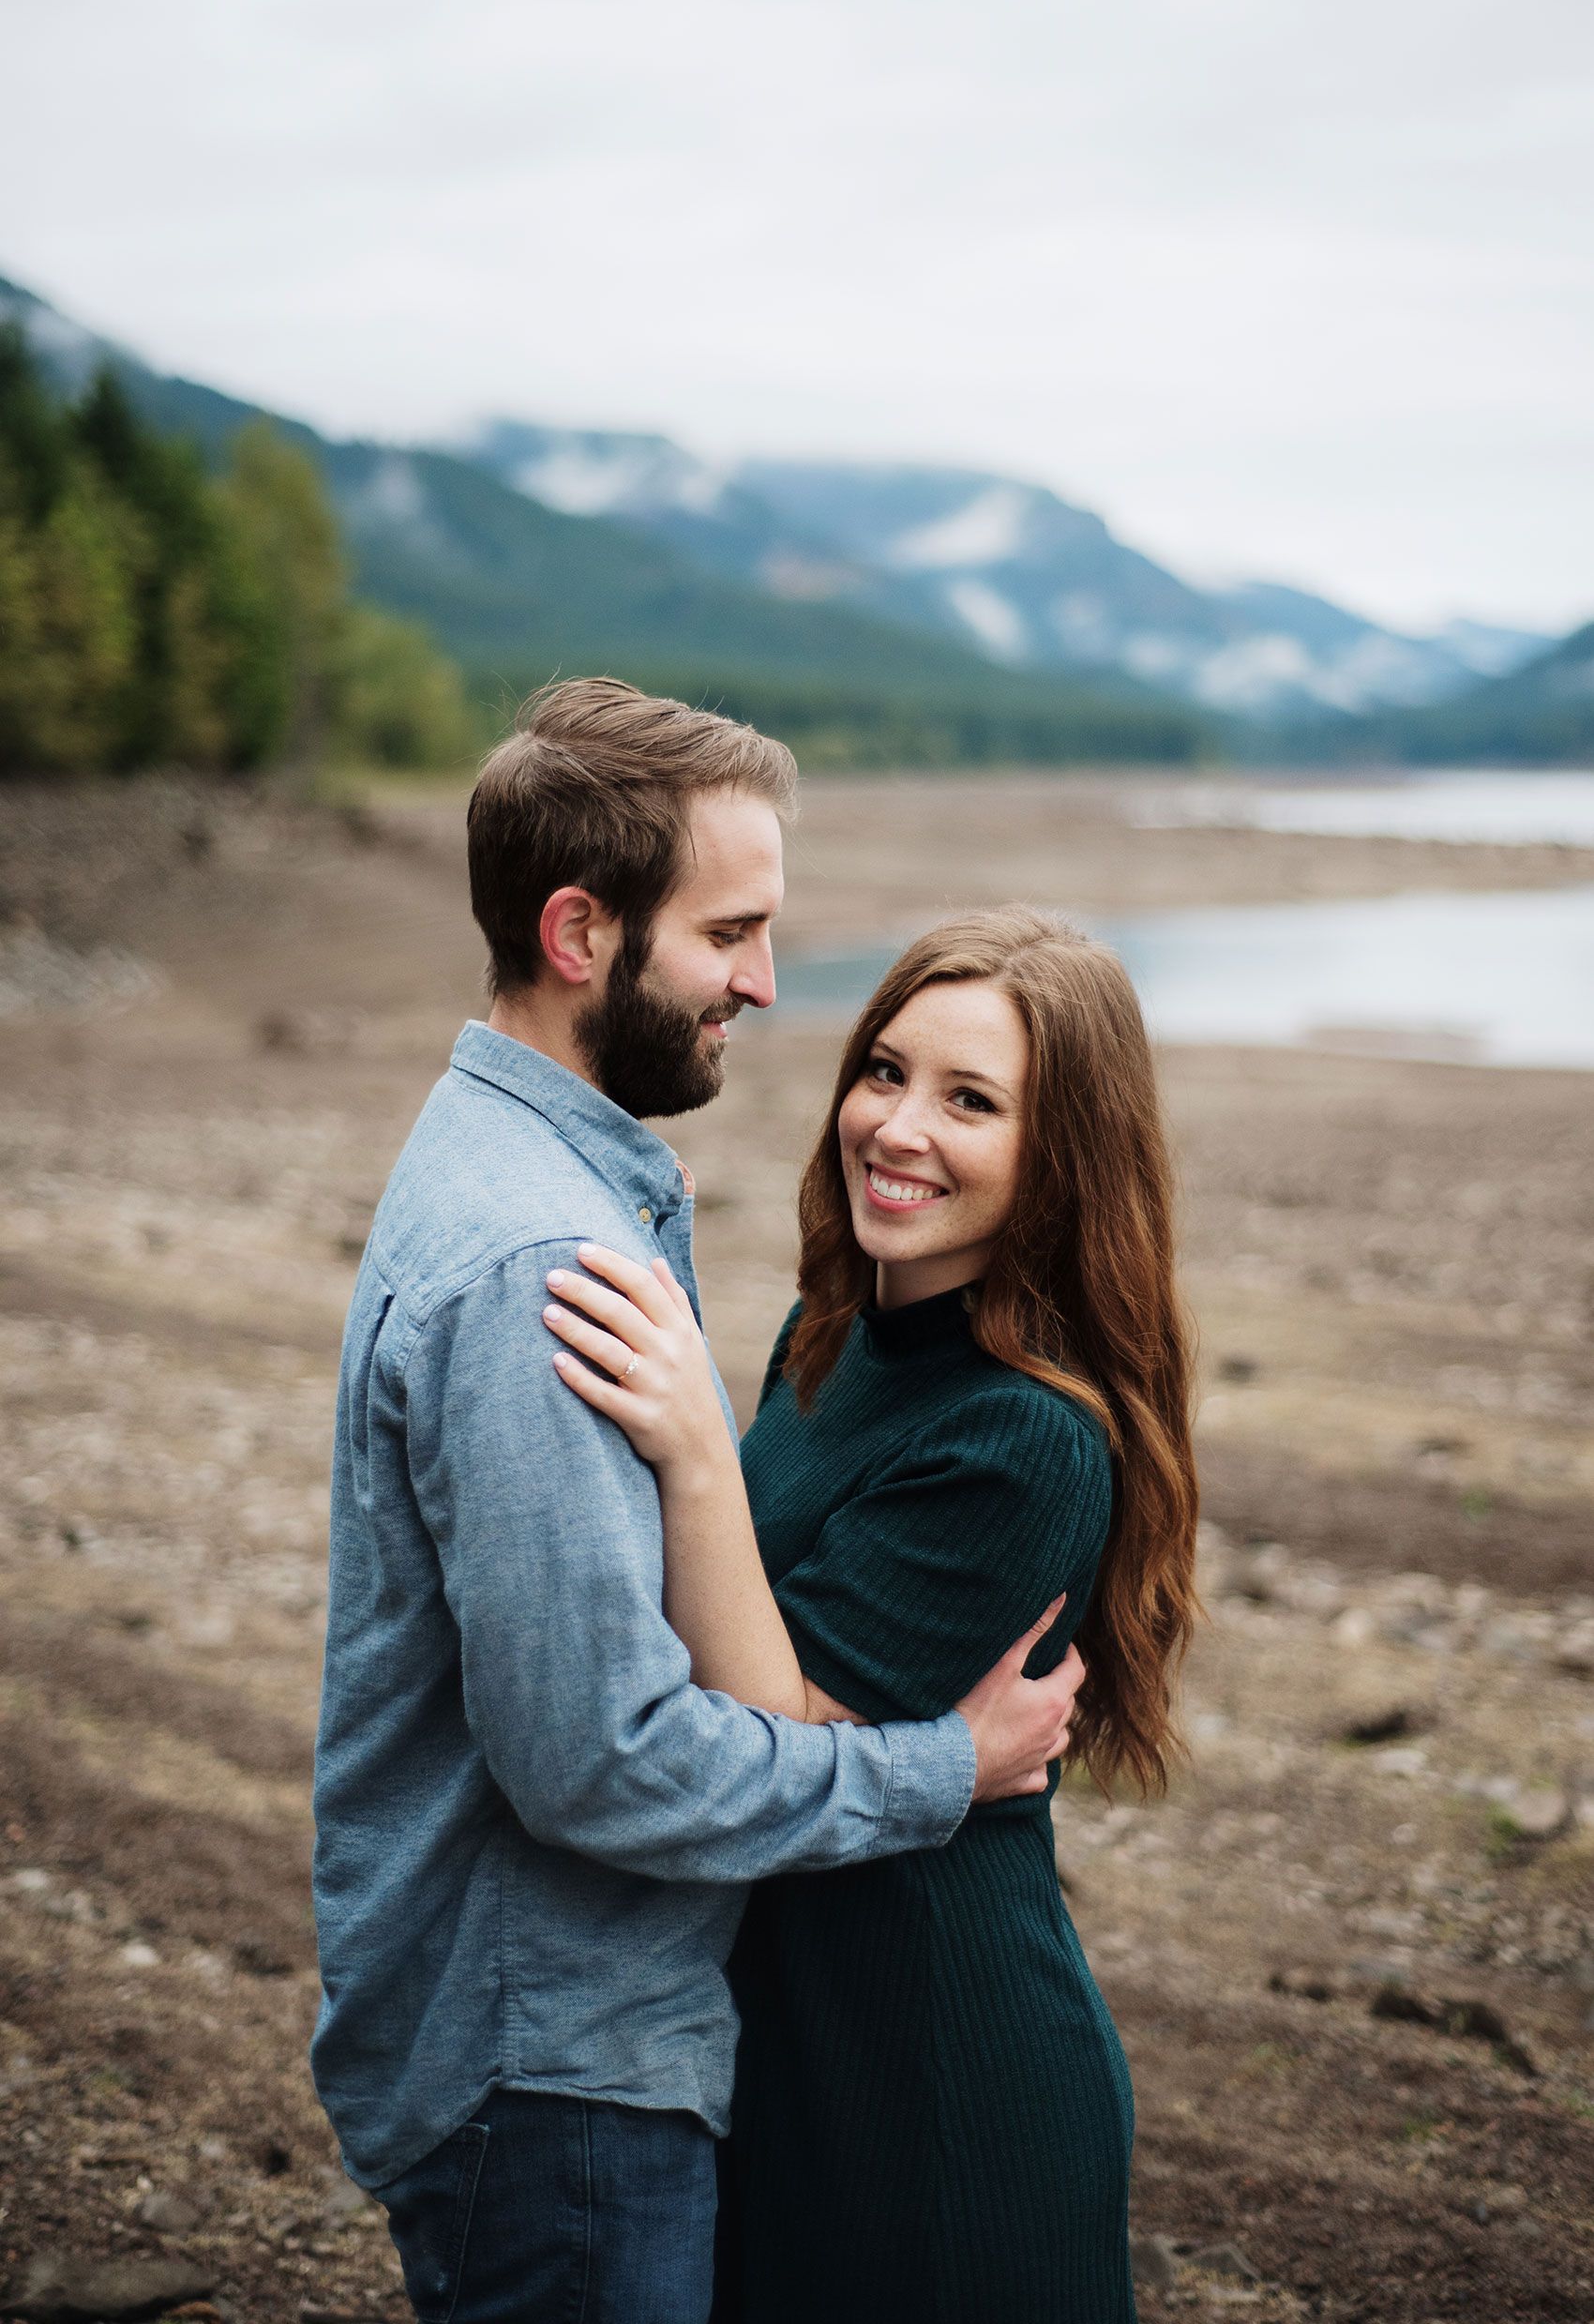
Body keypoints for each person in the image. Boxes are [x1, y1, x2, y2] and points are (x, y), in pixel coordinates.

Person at [309, 684, 1089, 2324]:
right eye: (729, 930)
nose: (762, 981)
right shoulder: (542, 1254)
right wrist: (943, 1765)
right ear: (581, 931)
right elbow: (600, 1759)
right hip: (554, 2071)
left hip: (590, 2051)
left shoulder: (541, 1177)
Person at [545, 904, 1201, 2324]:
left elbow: (771, 1727)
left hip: (938, 2074)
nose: (897, 1128)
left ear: (1060, 1160)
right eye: (885, 1071)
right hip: (786, 2038)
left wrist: (693, 1447)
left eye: (973, 1102)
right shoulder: (828, 1335)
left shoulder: (1026, 1439)